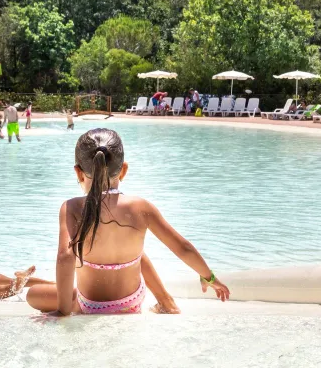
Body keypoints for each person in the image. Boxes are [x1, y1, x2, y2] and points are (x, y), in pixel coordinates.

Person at [26, 128, 230, 316]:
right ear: (123, 170)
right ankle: (165, 301)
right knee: (133, 247)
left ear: (78, 172)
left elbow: (65, 257)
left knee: (33, 294)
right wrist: (209, 277)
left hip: (90, 305)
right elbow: (182, 247)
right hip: (131, 301)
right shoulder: (140, 207)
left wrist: (63, 312)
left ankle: (68, 296)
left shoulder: (71, 207)